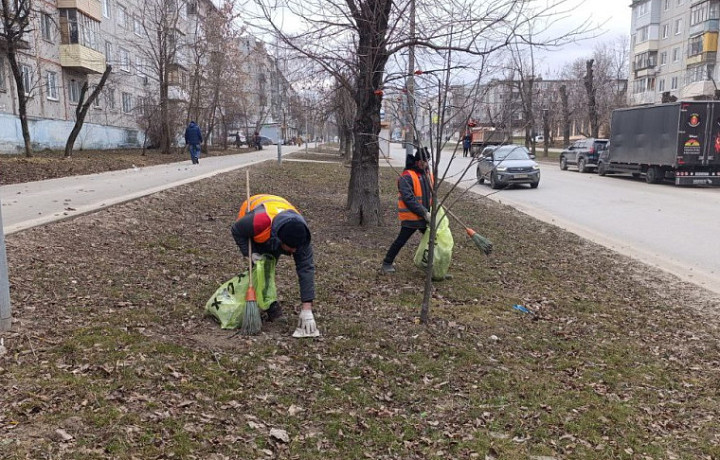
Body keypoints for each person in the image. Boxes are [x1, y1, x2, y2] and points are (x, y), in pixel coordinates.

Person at [231, 194, 319, 337]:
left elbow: (306, 269)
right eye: (291, 248)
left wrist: (307, 308)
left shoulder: (301, 235)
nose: (294, 252)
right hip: (254, 220)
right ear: (280, 240)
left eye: (296, 248)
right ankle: (266, 307)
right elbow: (236, 230)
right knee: (261, 269)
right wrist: (250, 254)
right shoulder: (259, 222)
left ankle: (266, 303)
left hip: (278, 221)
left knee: (268, 266)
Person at [381, 147, 433, 274]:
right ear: (417, 161)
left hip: (425, 215)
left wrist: (432, 210)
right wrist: (424, 212)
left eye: (427, 161)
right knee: (401, 240)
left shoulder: (427, 174)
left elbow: (432, 194)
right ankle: (387, 263)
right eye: (423, 161)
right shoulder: (407, 176)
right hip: (412, 217)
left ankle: (433, 266)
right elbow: (408, 198)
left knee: (434, 240)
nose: (425, 164)